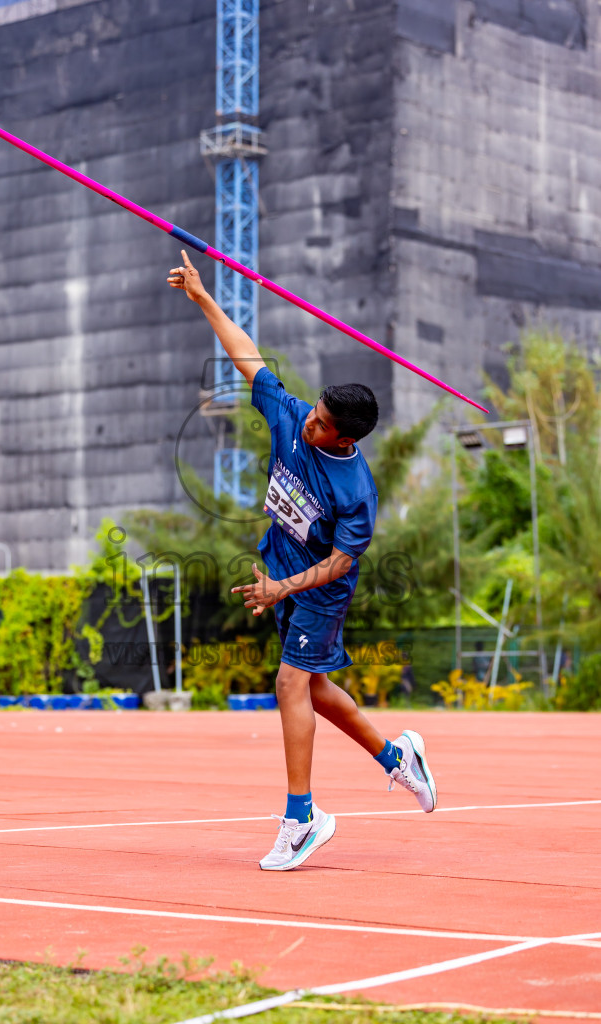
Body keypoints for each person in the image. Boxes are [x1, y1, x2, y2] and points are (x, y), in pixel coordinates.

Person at [168, 250, 437, 871]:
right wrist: (205, 298)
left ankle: (302, 817)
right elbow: (249, 357)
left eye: (320, 425)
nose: (307, 423)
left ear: (345, 437)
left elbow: (342, 565)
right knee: (312, 689)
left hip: (317, 589)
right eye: (311, 412)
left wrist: (283, 589)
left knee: (289, 684)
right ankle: (398, 759)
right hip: (282, 569)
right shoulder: (293, 417)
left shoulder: (356, 492)